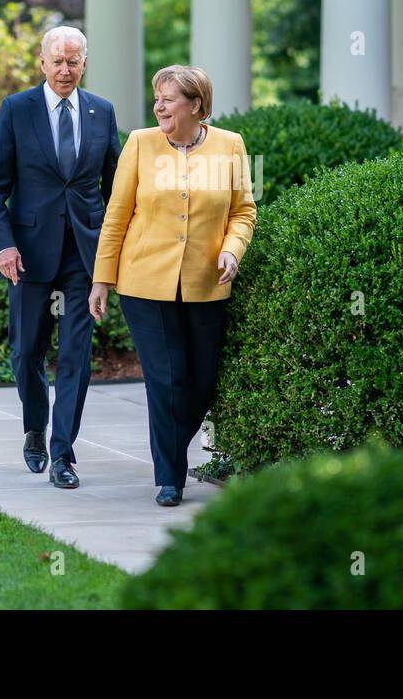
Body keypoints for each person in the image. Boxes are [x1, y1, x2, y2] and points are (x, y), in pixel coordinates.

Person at [88, 65, 256, 506]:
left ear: (196, 105)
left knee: (201, 383)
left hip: (206, 281)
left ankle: (169, 454)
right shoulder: (140, 143)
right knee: (166, 379)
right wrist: (102, 279)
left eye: (169, 98)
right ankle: (169, 477)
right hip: (144, 282)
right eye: (156, 98)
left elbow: (243, 211)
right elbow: (116, 215)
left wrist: (232, 250)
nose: (159, 106)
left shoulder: (230, 146)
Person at [0, 26, 122, 489]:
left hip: (85, 254)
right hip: (27, 254)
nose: (65, 69)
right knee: (26, 352)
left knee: (77, 356)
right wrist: (4, 244)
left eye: (74, 61)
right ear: (42, 62)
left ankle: (64, 453)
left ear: (85, 63)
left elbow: (117, 187)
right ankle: (35, 429)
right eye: (57, 60)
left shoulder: (102, 112)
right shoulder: (17, 110)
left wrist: (115, 249)